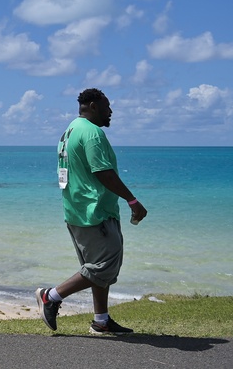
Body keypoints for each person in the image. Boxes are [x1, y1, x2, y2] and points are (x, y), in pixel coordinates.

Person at [36, 88, 148, 335]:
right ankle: (51, 296)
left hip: (76, 209)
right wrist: (132, 200)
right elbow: (102, 171)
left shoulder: (69, 130)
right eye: (107, 107)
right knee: (103, 266)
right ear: (94, 106)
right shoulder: (92, 133)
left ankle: (101, 321)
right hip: (94, 211)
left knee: (96, 268)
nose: (111, 111)